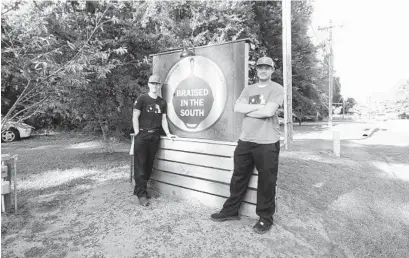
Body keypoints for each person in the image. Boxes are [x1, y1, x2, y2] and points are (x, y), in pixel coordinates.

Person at [210, 57, 284, 234]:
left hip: (267, 143)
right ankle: (231, 211)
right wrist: (260, 105)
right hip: (245, 141)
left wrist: (250, 108)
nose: (263, 70)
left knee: (267, 182)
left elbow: (269, 111)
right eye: (260, 67)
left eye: (267, 67)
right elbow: (237, 108)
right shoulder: (248, 89)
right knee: (238, 178)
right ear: (256, 70)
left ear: (272, 70)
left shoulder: (277, 89)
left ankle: (265, 218)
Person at [132, 74, 176, 206]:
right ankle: (141, 195)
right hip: (143, 135)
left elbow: (163, 120)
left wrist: (168, 133)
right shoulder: (142, 99)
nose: (155, 86)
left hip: (155, 136)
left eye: (157, 84)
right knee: (140, 166)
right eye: (152, 83)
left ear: (159, 86)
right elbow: (135, 116)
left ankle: (141, 190)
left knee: (149, 166)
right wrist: (136, 132)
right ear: (148, 84)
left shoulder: (162, 102)